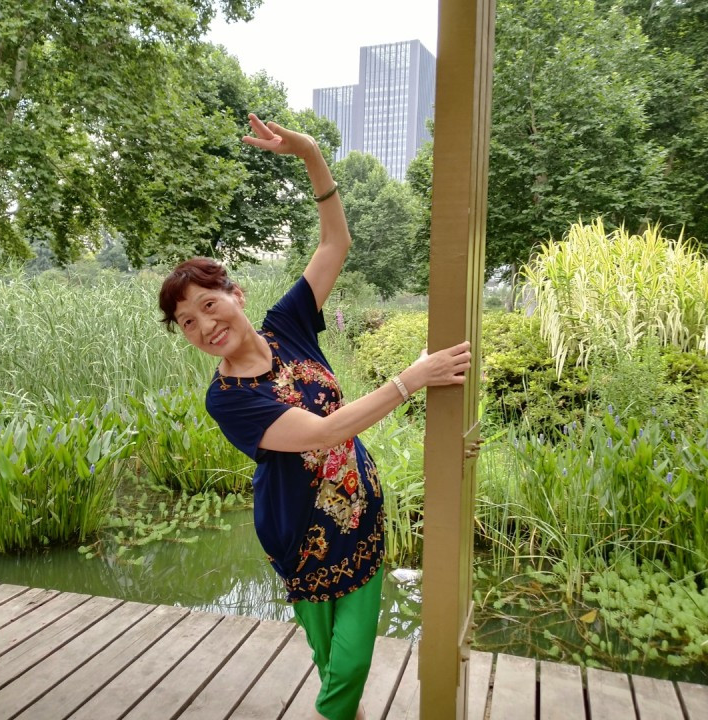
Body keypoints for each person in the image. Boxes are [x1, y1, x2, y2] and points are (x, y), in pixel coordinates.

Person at [158, 114, 471, 720]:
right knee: (330, 659)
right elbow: (325, 432)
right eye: (188, 323)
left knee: (350, 663)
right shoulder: (228, 398)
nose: (205, 325)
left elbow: (335, 245)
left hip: (360, 511)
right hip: (302, 534)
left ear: (236, 295)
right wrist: (412, 377)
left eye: (209, 305)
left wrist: (309, 155)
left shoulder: (288, 324)